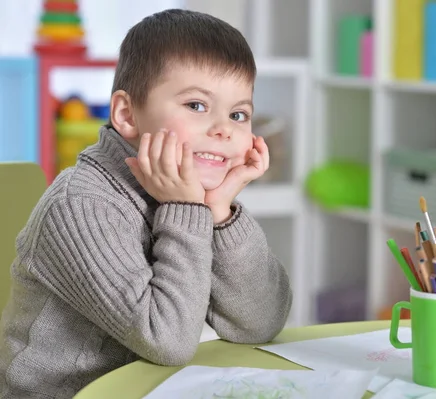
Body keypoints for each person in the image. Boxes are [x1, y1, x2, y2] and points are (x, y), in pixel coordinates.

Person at [0, 9, 293, 398]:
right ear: (126, 114)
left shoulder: (188, 192)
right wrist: (188, 211)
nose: (224, 129)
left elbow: (260, 322)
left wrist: (220, 212)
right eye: (196, 106)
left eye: (238, 114)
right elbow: (167, 342)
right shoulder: (81, 205)